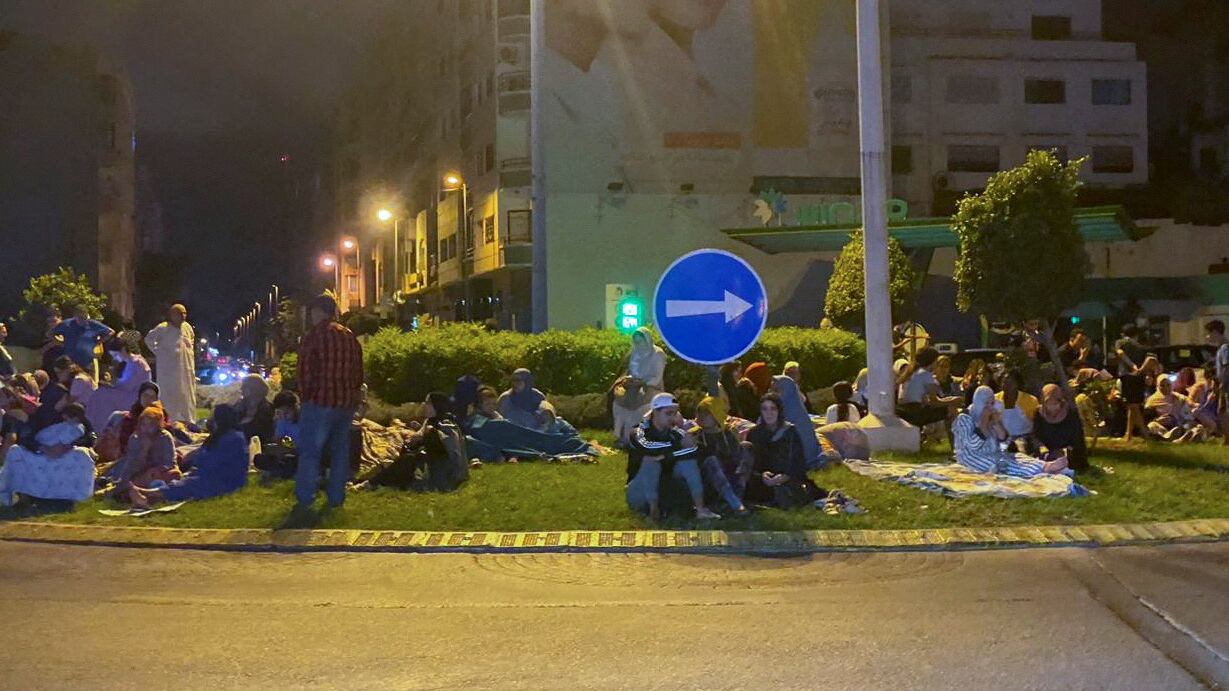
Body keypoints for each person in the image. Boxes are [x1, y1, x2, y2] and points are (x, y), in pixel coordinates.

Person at [293, 294, 364, 510]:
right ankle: (336, 497)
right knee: (340, 452)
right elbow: (358, 372)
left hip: (319, 403)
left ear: (318, 312)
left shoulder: (314, 336)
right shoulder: (349, 336)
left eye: (312, 312)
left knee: (310, 452)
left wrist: (306, 397)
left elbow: (305, 371)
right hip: (344, 403)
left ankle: (306, 497)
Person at [127, 404, 249, 508]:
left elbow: (217, 463)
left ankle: (147, 493)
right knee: (183, 482)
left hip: (224, 479)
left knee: (190, 485)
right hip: (207, 474)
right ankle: (146, 499)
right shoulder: (219, 436)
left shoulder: (233, 438)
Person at [625, 392, 720, 521]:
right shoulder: (639, 431)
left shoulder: (675, 432)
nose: (672, 418)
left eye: (675, 413)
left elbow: (694, 450)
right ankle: (653, 510)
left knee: (688, 462)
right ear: (655, 412)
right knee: (651, 463)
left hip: (665, 484)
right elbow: (649, 448)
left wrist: (666, 455)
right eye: (668, 413)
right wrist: (677, 447)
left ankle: (700, 509)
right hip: (640, 489)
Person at [953, 387, 1067, 478]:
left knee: (1017, 457)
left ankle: (1045, 465)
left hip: (993, 453)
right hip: (971, 457)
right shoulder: (964, 419)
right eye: (986, 403)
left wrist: (997, 424)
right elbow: (972, 445)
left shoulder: (992, 415)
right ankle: (1042, 470)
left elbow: (1005, 443)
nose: (990, 407)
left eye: (991, 403)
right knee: (997, 463)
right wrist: (983, 425)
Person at [365, 392, 469, 492]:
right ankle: (366, 482)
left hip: (443, 474)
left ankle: (370, 484)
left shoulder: (447, 423)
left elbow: (450, 452)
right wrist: (416, 438)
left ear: (437, 405)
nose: (425, 406)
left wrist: (430, 434)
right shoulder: (429, 422)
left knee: (407, 461)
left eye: (428, 403)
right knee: (394, 462)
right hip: (429, 464)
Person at [745, 393, 824, 508]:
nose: (769, 413)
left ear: (779, 410)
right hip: (763, 479)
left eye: (773, 408)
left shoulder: (789, 431)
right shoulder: (754, 433)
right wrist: (762, 475)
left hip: (788, 477)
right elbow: (753, 463)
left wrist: (785, 476)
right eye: (765, 409)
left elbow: (799, 461)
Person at [0, 421, 96, 507]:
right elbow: (24, 438)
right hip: (37, 451)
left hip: (66, 452)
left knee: (82, 455)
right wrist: (43, 448)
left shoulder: (78, 418)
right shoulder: (38, 416)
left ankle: (72, 500)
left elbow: (89, 437)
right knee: (15, 451)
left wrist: (67, 445)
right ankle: (24, 497)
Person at [693, 396, 750, 515]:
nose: (702, 417)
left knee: (747, 447)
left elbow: (735, 457)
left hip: (731, 475)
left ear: (716, 415)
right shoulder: (695, 435)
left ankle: (735, 498)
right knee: (712, 461)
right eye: (700, 413)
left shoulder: (727, 433)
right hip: (710, 481)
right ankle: (735, 503)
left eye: (707, 413)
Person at [144, 304, 198, 424]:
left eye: (184, 313)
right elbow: (149, 340)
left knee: (186, 395)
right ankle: (170, 421)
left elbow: (192, 342)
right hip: (168, 371)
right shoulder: (163, 328)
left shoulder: (187, 328)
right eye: (180, 314)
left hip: (186, 370)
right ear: (172, 315)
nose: (183, 316)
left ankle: (188, 421)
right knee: (169, 396)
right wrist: (161, 353)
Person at [84, 338, 152, 432]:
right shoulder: (133, 361)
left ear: (123, 350)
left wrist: (111, 386)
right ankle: (94, 423)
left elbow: (128, 386)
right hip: (130, 393)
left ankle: (97, 426)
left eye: (115, 354)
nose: (115, 358)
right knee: (100, 392)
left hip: (134, 396)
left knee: (101, 394)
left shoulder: (135, 363)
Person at [103, 405, 180, 486]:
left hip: (161, 471)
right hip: (140, 472)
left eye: (151, 425)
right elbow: (132, 463)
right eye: (144, 424)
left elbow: (170, 462)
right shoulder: (135, 438)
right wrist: (144, 449)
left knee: (174, 474)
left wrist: (158, 469)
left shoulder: (165, 437)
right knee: (131, 477)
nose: (147, 428)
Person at [896, 347, 962, 432]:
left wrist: (949, 399)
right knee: (951, 409)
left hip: (905, 410)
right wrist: (952, 402)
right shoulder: (926, 375)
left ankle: (933, 438)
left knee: (947, 406)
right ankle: (955, 440)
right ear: (932, 361)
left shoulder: (913, 372)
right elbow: (934, 402)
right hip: (914, 412)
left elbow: (927, 401)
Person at [771, 374, 824, 469]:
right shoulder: (778, 408)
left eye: (777, 390)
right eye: (772, 390)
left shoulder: (794, 412)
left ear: (787, 390)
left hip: (802, 457)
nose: (773, 394)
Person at [1034, 384, 1089, 472]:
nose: (1052, 407)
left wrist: (1063, 451)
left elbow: (1077, 438)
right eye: (1048, 403)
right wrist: (1042, 448)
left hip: (1070, 453)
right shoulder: (1039, 413)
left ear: (1061, 401)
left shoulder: (1070, 412)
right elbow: (1035, 435)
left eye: (1055, 403)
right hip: (1048, 452)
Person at [51, 304, 113, 381]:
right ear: (75, 316)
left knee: (92, 386)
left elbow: (110, 332)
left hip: (88, 362)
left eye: (85, 318)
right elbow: (51, 333)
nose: (84, 321)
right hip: (71, 362)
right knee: (73, 385)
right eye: (81, 318)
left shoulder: (92, 324)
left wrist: (98, 342)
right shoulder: (67, 324)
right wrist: (59, 342)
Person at [1115, 324, 1149, 441]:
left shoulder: (1121, 342)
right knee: (1133, 405)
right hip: (1139, 376)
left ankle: (1143, 433)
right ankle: (1129, 434)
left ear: (1123, 334)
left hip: (1127, 375)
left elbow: (1120, 353)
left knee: (1132, 405)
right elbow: (1149, 360)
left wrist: (1132, 366)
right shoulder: (1141, 347)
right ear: (1136, 334)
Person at [1145, 376, 1201, 442]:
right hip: (1163, 425)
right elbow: (1146, 416)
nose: (1166, 388)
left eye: (1168, 385)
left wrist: (1194, 405)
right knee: (1152, 425)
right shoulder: (1152, 399)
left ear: (1172, 385)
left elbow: (1188, 401)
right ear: (1158, 386)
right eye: (1162, 385)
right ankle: (1170, 436)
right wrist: (1157, 420)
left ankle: (1182, 437)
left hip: (1179, 424)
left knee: (1196, 426)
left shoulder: (1176, 396)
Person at [31, 356, 77, 433]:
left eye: (60, 372)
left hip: (52, 426)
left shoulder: (60, 391)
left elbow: (55, 411)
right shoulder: (58, 388)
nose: (58, 375)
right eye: (57, 373)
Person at [996, 370, 1040, 446]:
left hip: (1026, 441)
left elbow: (1038, 425)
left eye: (1011, 383)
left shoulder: (1030, 400)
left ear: (1017, 384)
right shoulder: (994, 400)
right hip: (1001, 441)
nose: (1007, 386)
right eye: (1004, 383)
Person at [1207, 319, 1229, 445]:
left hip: (1227, 385)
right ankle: (1226, 438)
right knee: (1221, 411)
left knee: (1224, 411)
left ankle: (1227, 438)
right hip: (1224, 384)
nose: (1208, 336)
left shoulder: (1225, 347)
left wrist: (1222, 384)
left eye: (1209, 333)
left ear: (1215, 332)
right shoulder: (1221, 348)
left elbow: (1227, 366)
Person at [237, 373, 274, 443]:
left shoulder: (267, 409)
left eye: (244, 386)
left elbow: (264, 434)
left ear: (254, 388)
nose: (241, 389)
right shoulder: (240, 406)